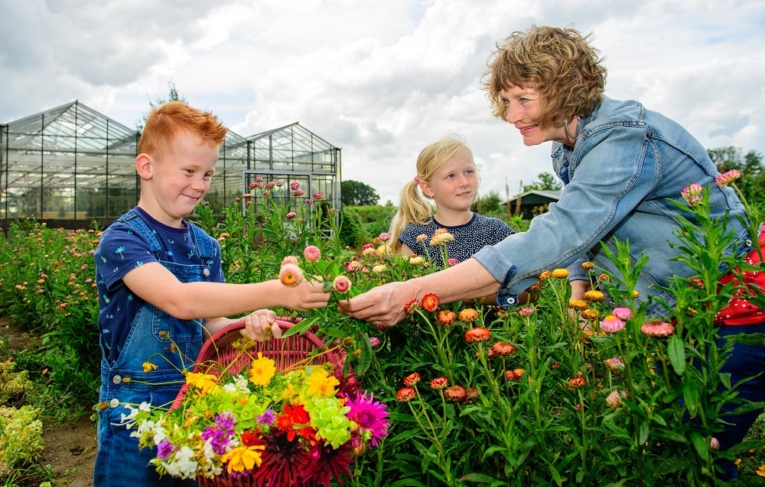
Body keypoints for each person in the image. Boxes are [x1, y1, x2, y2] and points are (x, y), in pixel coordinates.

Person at [339, 26, 764, 479]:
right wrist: (581, 298)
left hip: (730, 314)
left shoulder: (623, 139)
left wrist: (412, 291)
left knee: (692, 456)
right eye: (505, 101)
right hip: (678, 314)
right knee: (669, 450)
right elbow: (592, 237)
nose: (510, 114)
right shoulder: (572, 147)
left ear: (566, 90)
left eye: (523, 99)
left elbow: (561, 232)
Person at [92, 102, 330, 487]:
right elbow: (179, 300)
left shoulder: (205, 246)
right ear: (147, 167)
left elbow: (211, 322)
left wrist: (245, 326)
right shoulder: (122, 239)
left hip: (197, 406)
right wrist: (277, 292)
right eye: (189, 171)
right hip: (133, 414)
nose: (200, 184)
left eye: (207, 174)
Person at [389, 135, 515, 267]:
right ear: (428, 188)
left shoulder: (497, 232)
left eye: (468, 171)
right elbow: (409, 284)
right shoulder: (415, 237)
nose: (464, 182)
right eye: (451, 176)